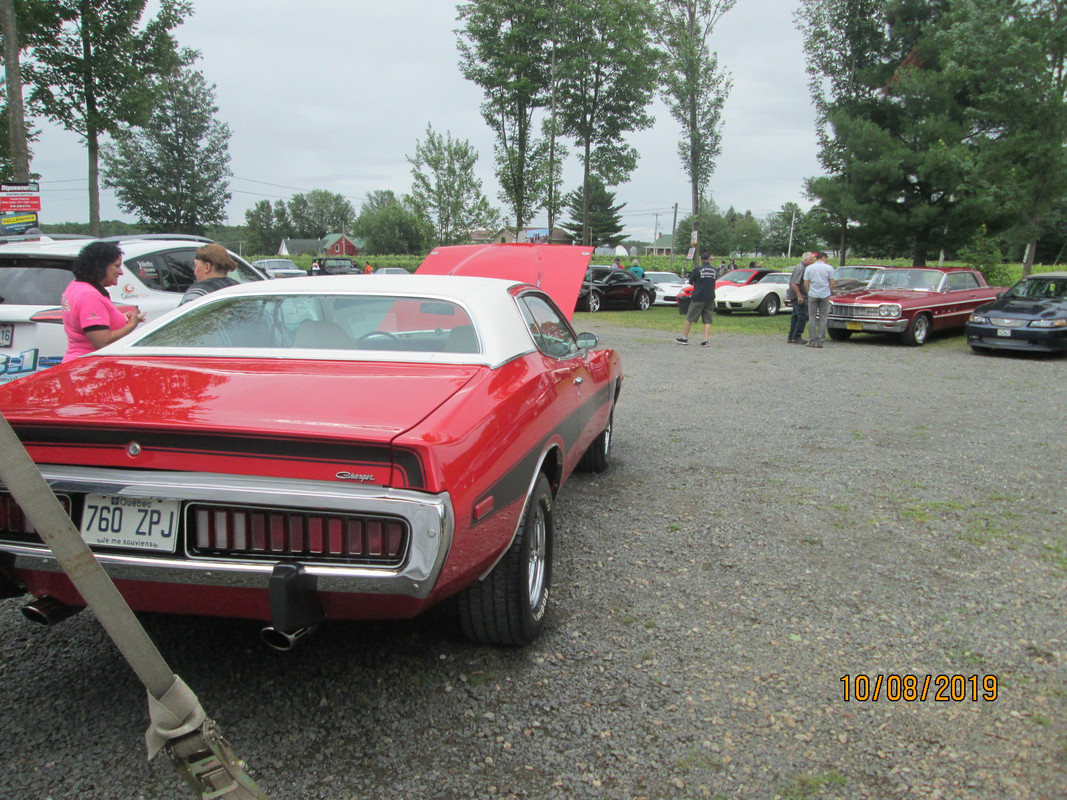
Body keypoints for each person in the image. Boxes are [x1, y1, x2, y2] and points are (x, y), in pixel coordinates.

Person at [61, 241, 145, 362]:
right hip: (88, 366)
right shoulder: (90, 295)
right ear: (100, 266)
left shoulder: (75, 287)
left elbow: (88, 322)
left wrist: (121, 318)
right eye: (117, 266)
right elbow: (101, 341)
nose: (121, 272)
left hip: (77, 362)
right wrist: (131, 325)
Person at [676, 252, 717, 347]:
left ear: (702, 260)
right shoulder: (714, 270)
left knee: (690, 317)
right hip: (710, 297)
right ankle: (705, 340)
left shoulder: (697, 269)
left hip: (698, 296)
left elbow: (691, 281)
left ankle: (684, 338)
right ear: (709, 259)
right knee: (707, 319)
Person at [803, 251, 836, 348]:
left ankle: (812, 340)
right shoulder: (829, 268)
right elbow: (832, 283)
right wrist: (829, 291)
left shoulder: (809, 268)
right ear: (824, 258)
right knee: (823, 317)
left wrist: (808, 292)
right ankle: (821, 341)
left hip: (813, 294)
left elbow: (805, 284)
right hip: (824, 294)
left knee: (812, 317)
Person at [787, 252, 815, 344]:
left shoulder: (805, 268)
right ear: (805, 260)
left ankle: (791, 336)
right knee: (802, 315)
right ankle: (797, 336)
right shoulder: (800, 268)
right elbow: (794, 283)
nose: (813, 262)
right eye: (811, 260)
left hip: (799, 294)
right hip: (797, 295)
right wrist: (799, 296)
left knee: (795, 316)